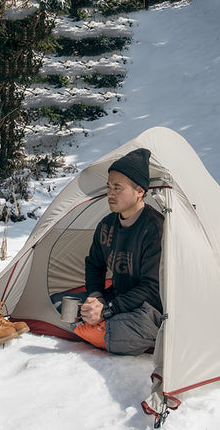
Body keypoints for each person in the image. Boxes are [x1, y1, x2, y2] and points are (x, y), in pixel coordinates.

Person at [74, 148, 165, 355]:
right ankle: (96, 326)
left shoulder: (155, 229)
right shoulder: (107, 225)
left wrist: (107, 310)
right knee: (68, 307)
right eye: (108, 187)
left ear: (140, 191)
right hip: (118, 298)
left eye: (117, 187)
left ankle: (99, 329)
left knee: (120, 333)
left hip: (149, 308)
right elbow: (94, 264)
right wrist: (97, 297)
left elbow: (152, 288)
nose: (110, 193)